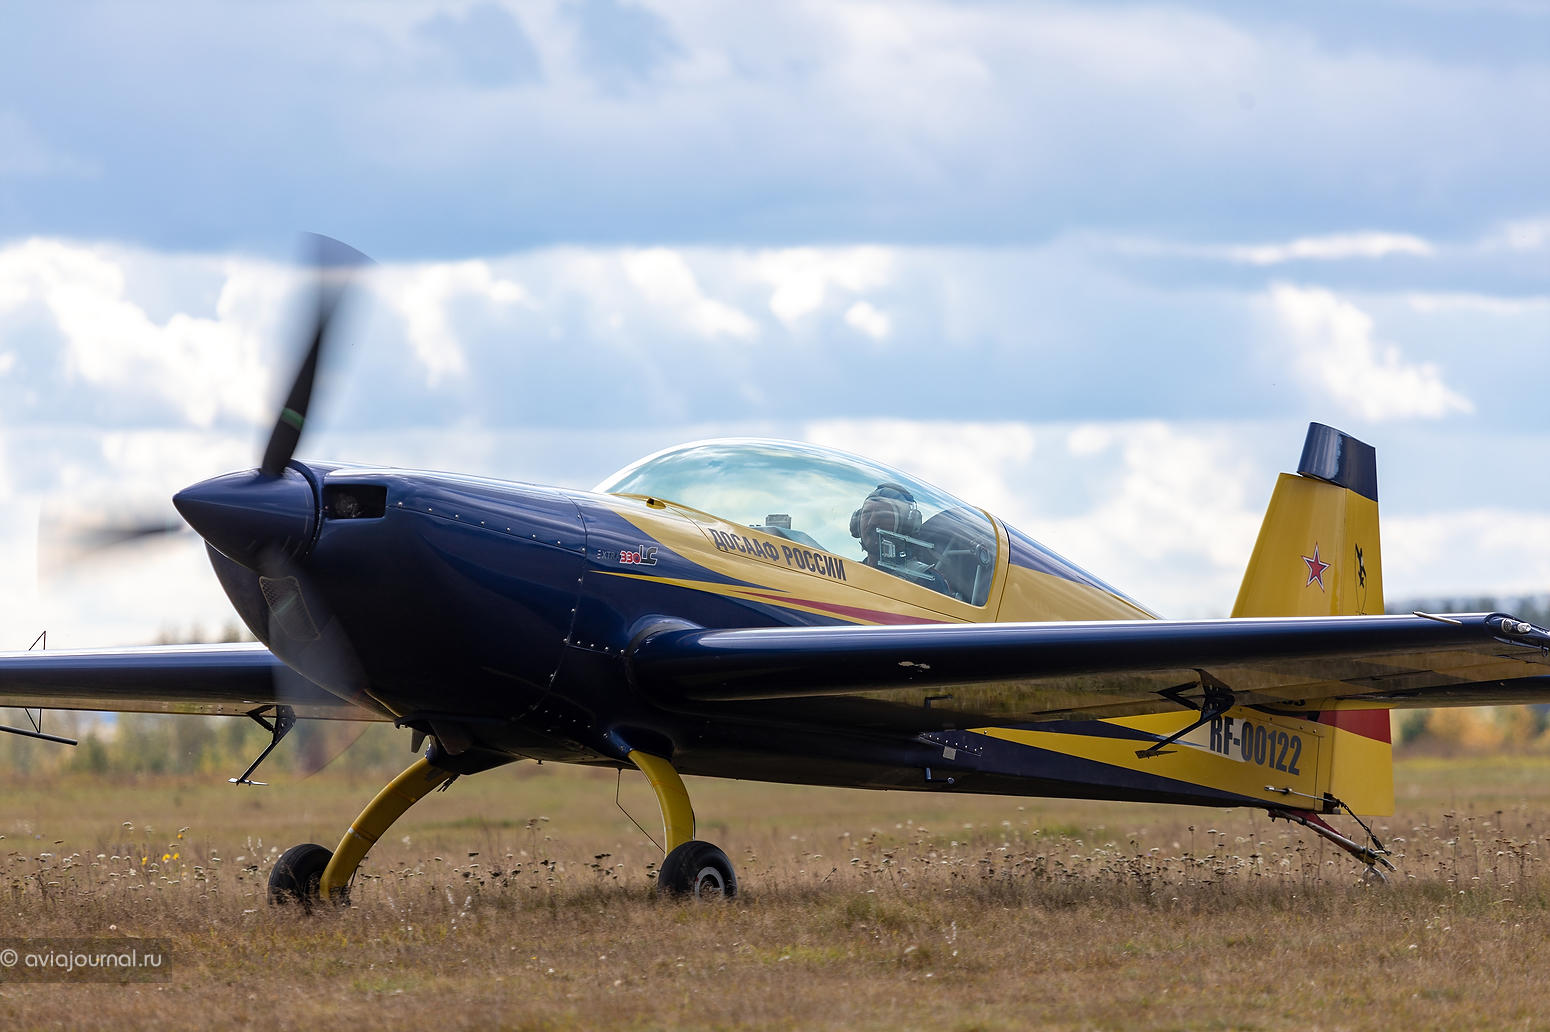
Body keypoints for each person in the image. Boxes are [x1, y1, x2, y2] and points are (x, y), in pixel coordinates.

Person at [849, 484, 955, 597]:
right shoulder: (848, 573)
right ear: (856, 523)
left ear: (905, 527)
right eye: (867, 514)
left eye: (883, 516)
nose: (872, 522)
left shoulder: (926, 581)